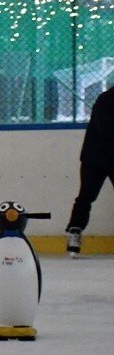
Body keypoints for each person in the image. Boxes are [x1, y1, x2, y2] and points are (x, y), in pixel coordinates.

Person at [66, 85, 114, 257]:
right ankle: (75, 231)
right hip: (95, 158)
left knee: (85, 197)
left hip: (98, 156)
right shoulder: (106, 100)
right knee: (86, 196)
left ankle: (75, 232)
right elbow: (106, 129)